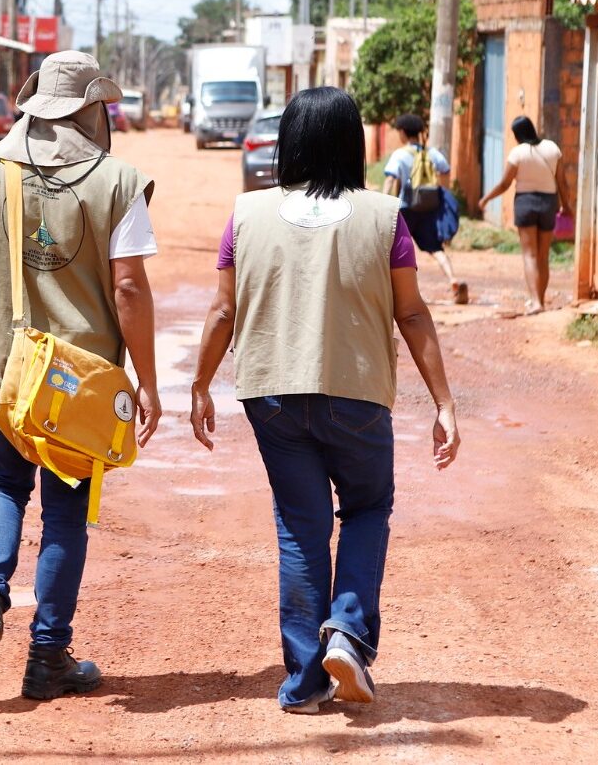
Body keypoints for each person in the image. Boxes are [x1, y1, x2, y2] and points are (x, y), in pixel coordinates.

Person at [190, 87, 460, 715]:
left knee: (300, 527)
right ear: (353, 144)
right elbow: (412, 313)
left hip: (272, 397)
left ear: (288, 144)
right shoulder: (384, 218)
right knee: (367, 509)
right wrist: (444, 401)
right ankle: (348, 633)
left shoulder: (245, 214)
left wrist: (201, 384)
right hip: (358, 395)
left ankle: (306, 682)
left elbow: (223, 310)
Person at [0, 50, 162, 701]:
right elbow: (129, 290)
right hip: (80, 383)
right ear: (90, 111)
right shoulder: (118, 181)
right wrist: (146, 381)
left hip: (2, 370)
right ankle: (47, 657)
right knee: (64, 513)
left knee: (2, 482)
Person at [478, 115, 572, 315]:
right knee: (543, 255)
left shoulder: (517, 153)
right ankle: (542, 301)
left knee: (530, 255)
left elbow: (504, 184)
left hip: (525, 203)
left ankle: (535, 301)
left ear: (517, 134)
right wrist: (566, 206)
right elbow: (562, 182)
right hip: (549, 203)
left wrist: (486, 198)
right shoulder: (552, 149)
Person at [383, 113, 467, 303]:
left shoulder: (400, 154)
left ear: (403, 132)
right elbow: (445, 173)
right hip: (428, 208)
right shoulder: (432, 153)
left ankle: (394, 292)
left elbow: (390, 178)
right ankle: (453, 278)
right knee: (435, 248)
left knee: (393, 250)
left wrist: (384, 201)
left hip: (405, 208)